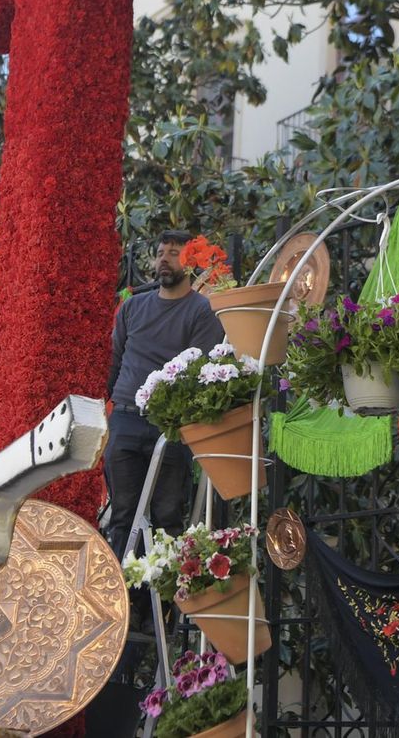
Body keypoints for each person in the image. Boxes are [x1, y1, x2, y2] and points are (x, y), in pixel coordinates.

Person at [104, 228, 225, 561]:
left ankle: (160, 608)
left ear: (190, 261)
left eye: (174, 252)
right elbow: (114, 359)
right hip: (126, 419)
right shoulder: (133, 309)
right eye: (161, 252)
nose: (164, 259)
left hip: (169, 426)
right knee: (123, 517)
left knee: (166, 519)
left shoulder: (202, 311)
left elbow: (199, 372)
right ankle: (124, 605)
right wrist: (110, 404)